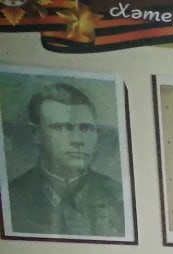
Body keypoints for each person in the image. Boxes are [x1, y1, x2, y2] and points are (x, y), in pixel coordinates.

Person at [6, 81, 125, 238]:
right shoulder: (10, 198)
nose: (77, 140)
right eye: (61, 128)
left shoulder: (119, 198)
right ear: (35, 133)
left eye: (86, 128)